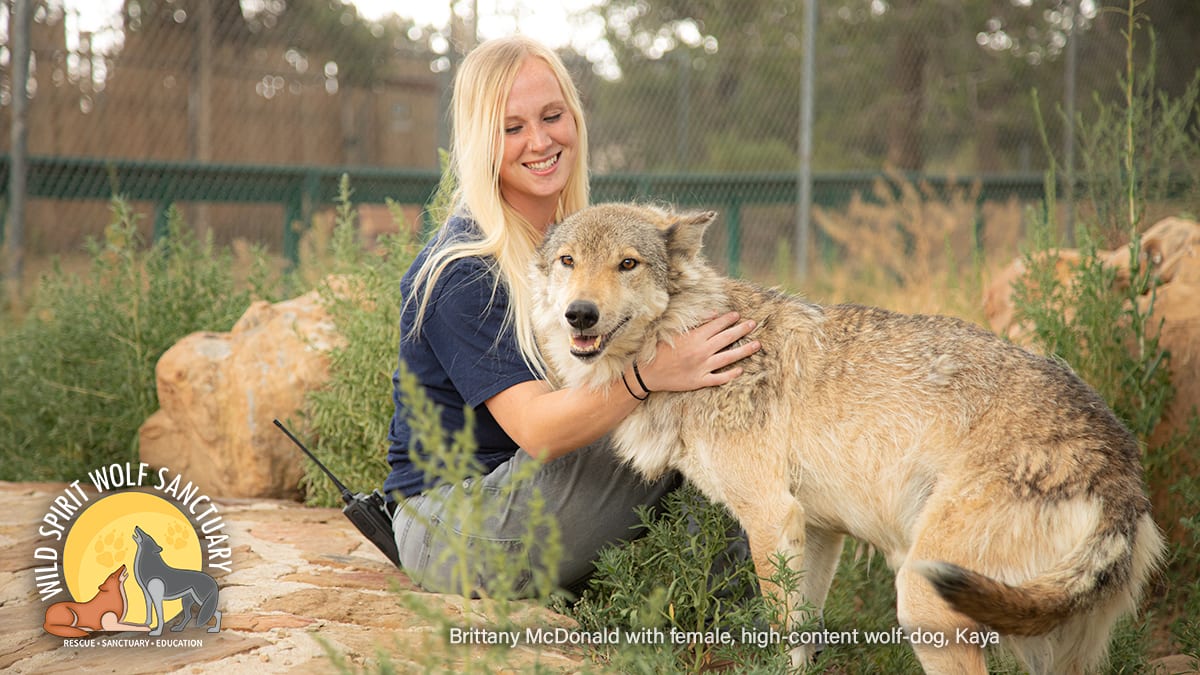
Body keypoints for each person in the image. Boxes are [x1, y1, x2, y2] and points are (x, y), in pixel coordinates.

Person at [384, 35, 760, 596]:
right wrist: (652, 375)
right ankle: (750, 632)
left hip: (538, 498)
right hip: (453, 525)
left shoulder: (578, 240)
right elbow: (536, 430)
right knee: (679, 408)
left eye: (553, 116)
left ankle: (729, 630)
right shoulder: (461, 270)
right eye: (512, 128)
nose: (540, 140)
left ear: (575, 120)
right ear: (480, 141)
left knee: (710, 403)